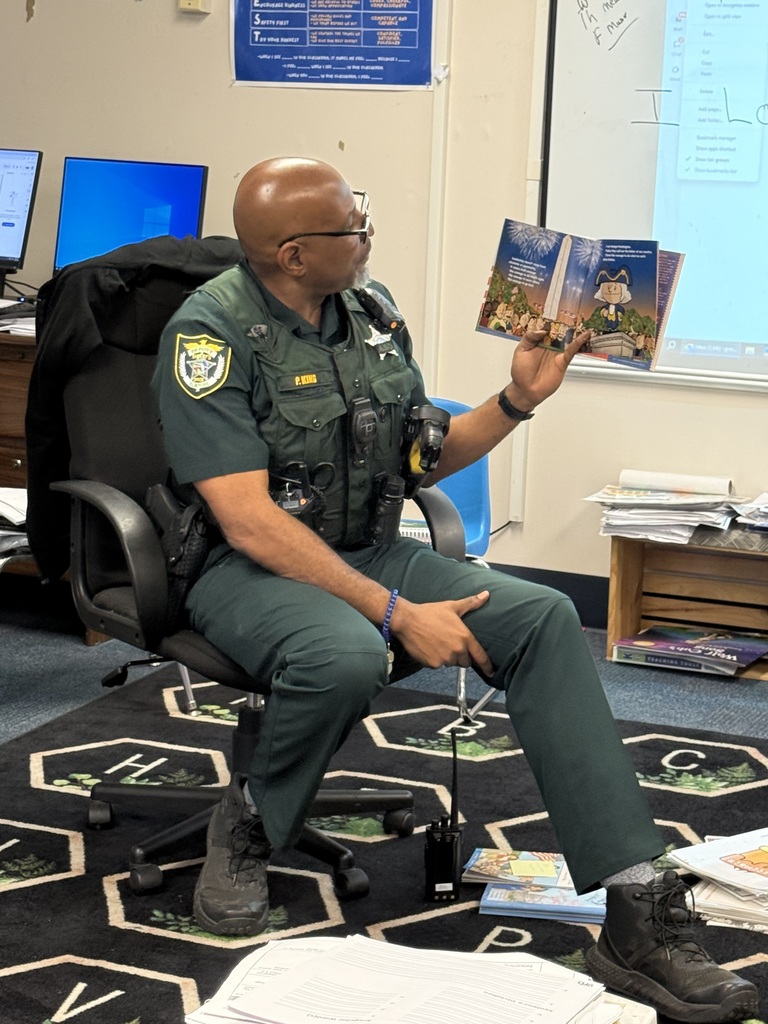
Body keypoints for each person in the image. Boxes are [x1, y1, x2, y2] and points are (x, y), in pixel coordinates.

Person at [151, 157, 758, 1024]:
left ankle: (635, 914)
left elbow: (421, 459)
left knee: (545, 616)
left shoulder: (371, 312)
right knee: (345, 649)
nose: (366, 238)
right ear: (292, 253)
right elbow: (247, 520)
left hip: (368, 549)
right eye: (351, 228)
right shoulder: (206, 337)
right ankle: (247, 823)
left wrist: (516, 399)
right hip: (249, 569)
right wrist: (395, 612)